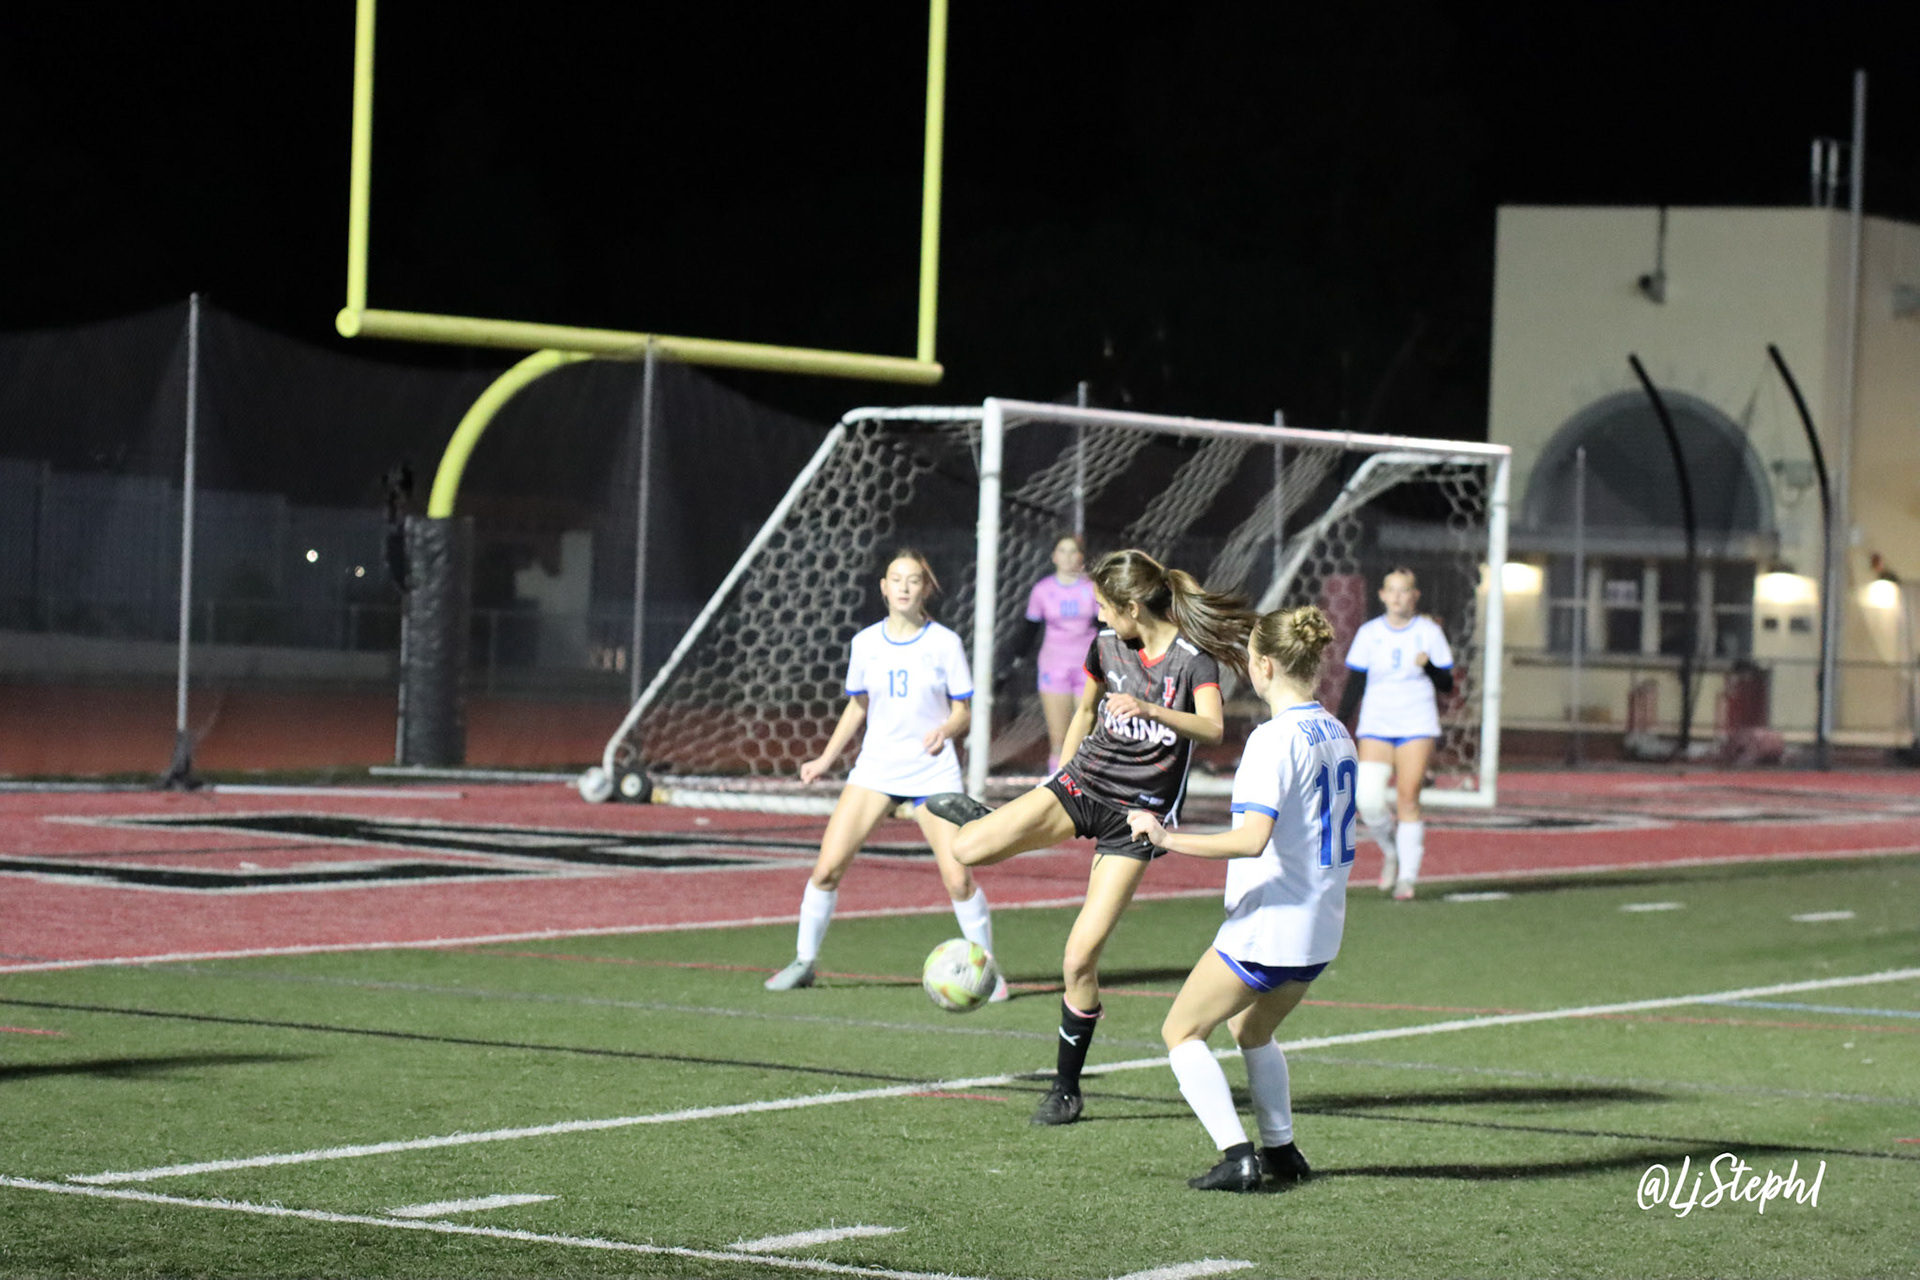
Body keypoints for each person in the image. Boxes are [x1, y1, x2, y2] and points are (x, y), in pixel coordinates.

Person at [928, 548, 1257, 1124]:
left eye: (1104, 607)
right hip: (1082, 784)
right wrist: (1057, 779)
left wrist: (1153, 710)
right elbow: (1084, 713)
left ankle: (1065, 1089)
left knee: (1079, 959)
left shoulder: (1192, 660)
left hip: (1136, 820)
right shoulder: (1105, 646)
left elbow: (1211, 727)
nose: (1099, 617)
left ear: (1132, 607)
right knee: (963, 848)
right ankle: (995, 820)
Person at [1128, 604, 1352, 1191]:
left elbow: (1252, 840)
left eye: (1250, 657)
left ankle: (1237, 1157)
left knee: (1181, 1033)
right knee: (1251, 1032)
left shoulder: (1272, 740)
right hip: (1321, 927)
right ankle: (1281, 1151)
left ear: (1265, 666)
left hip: (1270, 924)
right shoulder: (1337, 731)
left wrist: (1165, 838)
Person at [764, 550, 1007, 1001]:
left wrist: (945, 730)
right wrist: (825, 759)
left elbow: (963, 711)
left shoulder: (945, 643)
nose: (904, 587)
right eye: (896, 579)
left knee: (958, 879)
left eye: (913, 580)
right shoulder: (865, 643)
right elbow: (858, 705)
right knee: (827, 868)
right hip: (876, 769)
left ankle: (988, 970)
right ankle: (804, 961)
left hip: (932, 773)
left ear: (925, 589)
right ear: (883, 587)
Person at [1336, 567, 1453, 901]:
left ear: (1415, 596)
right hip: (1376, 725)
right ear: (1383, 595)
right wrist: (1339, 721)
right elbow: (1355, 682)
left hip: (1416, 725)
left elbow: (1446, 684)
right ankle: (1392, 851)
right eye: (1392, 590)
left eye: (1405, 591)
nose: (1398, 597)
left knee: (1407, 798)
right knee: (1367, 799)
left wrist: (1429, 666)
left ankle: (1407, 878)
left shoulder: (1429, 632)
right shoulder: (1370, 633)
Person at [1017, 534, 1099, 774]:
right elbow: (1029, 630)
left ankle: (1087, 784)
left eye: (1073, 551)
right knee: (1059, 738)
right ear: (1054, 556)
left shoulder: (1091, 589)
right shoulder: (1043, 590)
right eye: (1062, 551)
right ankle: (1056, 784)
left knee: (1087, 734)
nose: (1067, 557)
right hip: (1054, 667)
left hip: (1087, 668)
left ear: (1081, 557)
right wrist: (1014, 660)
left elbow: (1106, 626)